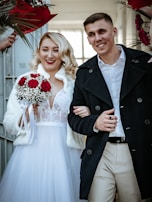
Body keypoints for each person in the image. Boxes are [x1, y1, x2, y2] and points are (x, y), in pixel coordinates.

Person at [68, 12, 152, 202]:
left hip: (135, 148)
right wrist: (95, 122)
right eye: (91, 34)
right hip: (100, 150)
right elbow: (73, 118)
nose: (97, 38)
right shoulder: (84, 72)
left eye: (101, 31)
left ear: (113, 31)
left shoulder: (143, 63)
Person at [0, 32, 89, 202]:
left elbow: (84, 115)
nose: (50, 55)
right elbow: (9, 122)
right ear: (38, 52)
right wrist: (25, 114)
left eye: (56, 50)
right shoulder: (24, 80)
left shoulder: (74, 82)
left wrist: (87, 111)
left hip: (67, 148)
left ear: (63, 53)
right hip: (32, 149)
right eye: (45, 49)